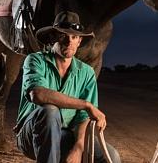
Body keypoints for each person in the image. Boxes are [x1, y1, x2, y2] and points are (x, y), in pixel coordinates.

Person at [14, 11, 121, 163]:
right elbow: (38, 94)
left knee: (112, 157)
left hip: (65, 135)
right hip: (31, 135)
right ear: (52, 38)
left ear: (79, 41)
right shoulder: (35, 60)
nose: (69, 41)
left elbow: (83, 118)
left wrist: (78, 147)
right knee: (50, 111)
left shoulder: (86, 72)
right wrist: (86, 105)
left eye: (74, 37)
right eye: (63, 35)